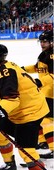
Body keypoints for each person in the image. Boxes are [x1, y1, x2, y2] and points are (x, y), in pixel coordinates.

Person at [22, 30, 53, 159]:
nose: (42, 44)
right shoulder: (43, 55)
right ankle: (43, 142)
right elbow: (37, 68)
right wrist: (22, 69)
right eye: (41, 41)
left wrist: (40, 81)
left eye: (45, 41)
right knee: (39, 118)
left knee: (47, 120)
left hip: (51, 94)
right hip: (44, 92)